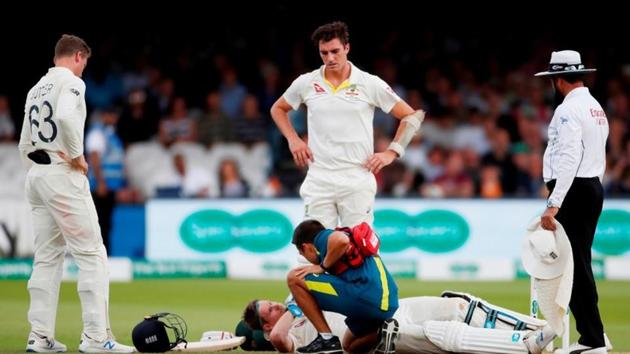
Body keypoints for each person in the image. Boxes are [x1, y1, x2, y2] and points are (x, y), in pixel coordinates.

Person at [18, 34, 134, 353]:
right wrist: (76, 155)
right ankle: (96, 338)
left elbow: (24, 141)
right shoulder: (70, 81)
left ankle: (39, 337)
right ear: (79, 56)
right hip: (62, 174)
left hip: (37, 174)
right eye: (85, 63)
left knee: (46, 258)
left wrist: (36, 166)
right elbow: (68, 116)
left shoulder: (35, 88)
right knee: (92, 254)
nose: (83, 70)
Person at [270, 21, 424, 229]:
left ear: (347, 48)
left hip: (357, 177)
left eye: (335, 51)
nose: (330, 58)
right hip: (319, 177)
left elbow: (412, 117)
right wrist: (293, 139)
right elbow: (277, 109)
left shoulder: (369, 83)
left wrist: (392, 152)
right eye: (324, 53)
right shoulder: (306, 82)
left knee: (360, 248)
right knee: (315, 249)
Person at [535, 50, 609, 354]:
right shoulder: (595, 107)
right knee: (580, 264)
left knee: (575, 266)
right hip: (590, 187)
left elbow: (568, 158)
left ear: (557, 80)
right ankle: (593, 336)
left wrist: (554, 203)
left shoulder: (567, 110)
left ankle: (593, 339)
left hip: (573, 191)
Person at [241, 291, 556, 354]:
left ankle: (538, 331)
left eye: (271, 302)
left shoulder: (298, 298)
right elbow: (281, 341)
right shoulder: (284, 337)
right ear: (265, 327)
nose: (275, 304)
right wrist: (294, 308)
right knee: (440, 334)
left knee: (458, 305)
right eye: (268, 309)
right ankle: (523, 348)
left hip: (392, 309)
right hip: (376, 336)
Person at [286, 219, 398, 354]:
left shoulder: (322, 237)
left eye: (301, 252)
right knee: (349, 346)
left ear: (305, 247)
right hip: (388, 303)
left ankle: (326, 339)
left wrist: (322, 267)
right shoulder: (345, 242)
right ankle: (382, 335)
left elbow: (341, 240)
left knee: (294, 278)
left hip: (367, 297)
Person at [85, 107, 125, 251]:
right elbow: (94, 158)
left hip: (110, 186)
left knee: (106, 223)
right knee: (99, 223)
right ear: (104, 115)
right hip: (100, 187)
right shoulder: (97, 133)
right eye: (112, 114)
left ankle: (105, 255)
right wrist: (101, 182)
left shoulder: (110, 134)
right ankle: (98, 256)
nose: (115, 118)